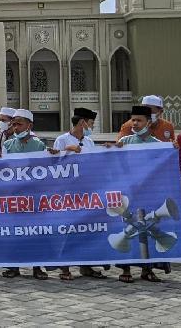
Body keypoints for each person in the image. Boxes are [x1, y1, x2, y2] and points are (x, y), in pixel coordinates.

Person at [50, 108, 108, 280]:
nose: (92, 126)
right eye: (91, 123)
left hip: (86, 192)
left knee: (86, 230)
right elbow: (54, 165)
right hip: (67, 192)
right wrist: (67, 151)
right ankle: (64, 268)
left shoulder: (89, 142)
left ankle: (86, 265)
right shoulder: (62, 140)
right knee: (67, 230)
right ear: (83, 123)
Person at [111, 105, 166, 283]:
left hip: (149, 193)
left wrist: (172, 149)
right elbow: (114, 163)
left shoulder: (158, 145)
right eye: (132, 120)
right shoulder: (125, 142)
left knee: (148, 229)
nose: (134, 123)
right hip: (128, 193)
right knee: (127, 229)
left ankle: (147, 269)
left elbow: (163, 168)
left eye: (138, 120)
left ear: (148, 122)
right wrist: (110, 149)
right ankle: (125, 269)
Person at [2, 109, 48, 280]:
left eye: (19, 124)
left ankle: (37, 267)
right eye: (13, 124)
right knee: (14, 232)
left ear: (29, 125)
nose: (15, 128)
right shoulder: (7, 145)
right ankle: (13, 266)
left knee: (36, 233)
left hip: (34, 196)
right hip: (14, 196)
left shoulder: (39, 145)